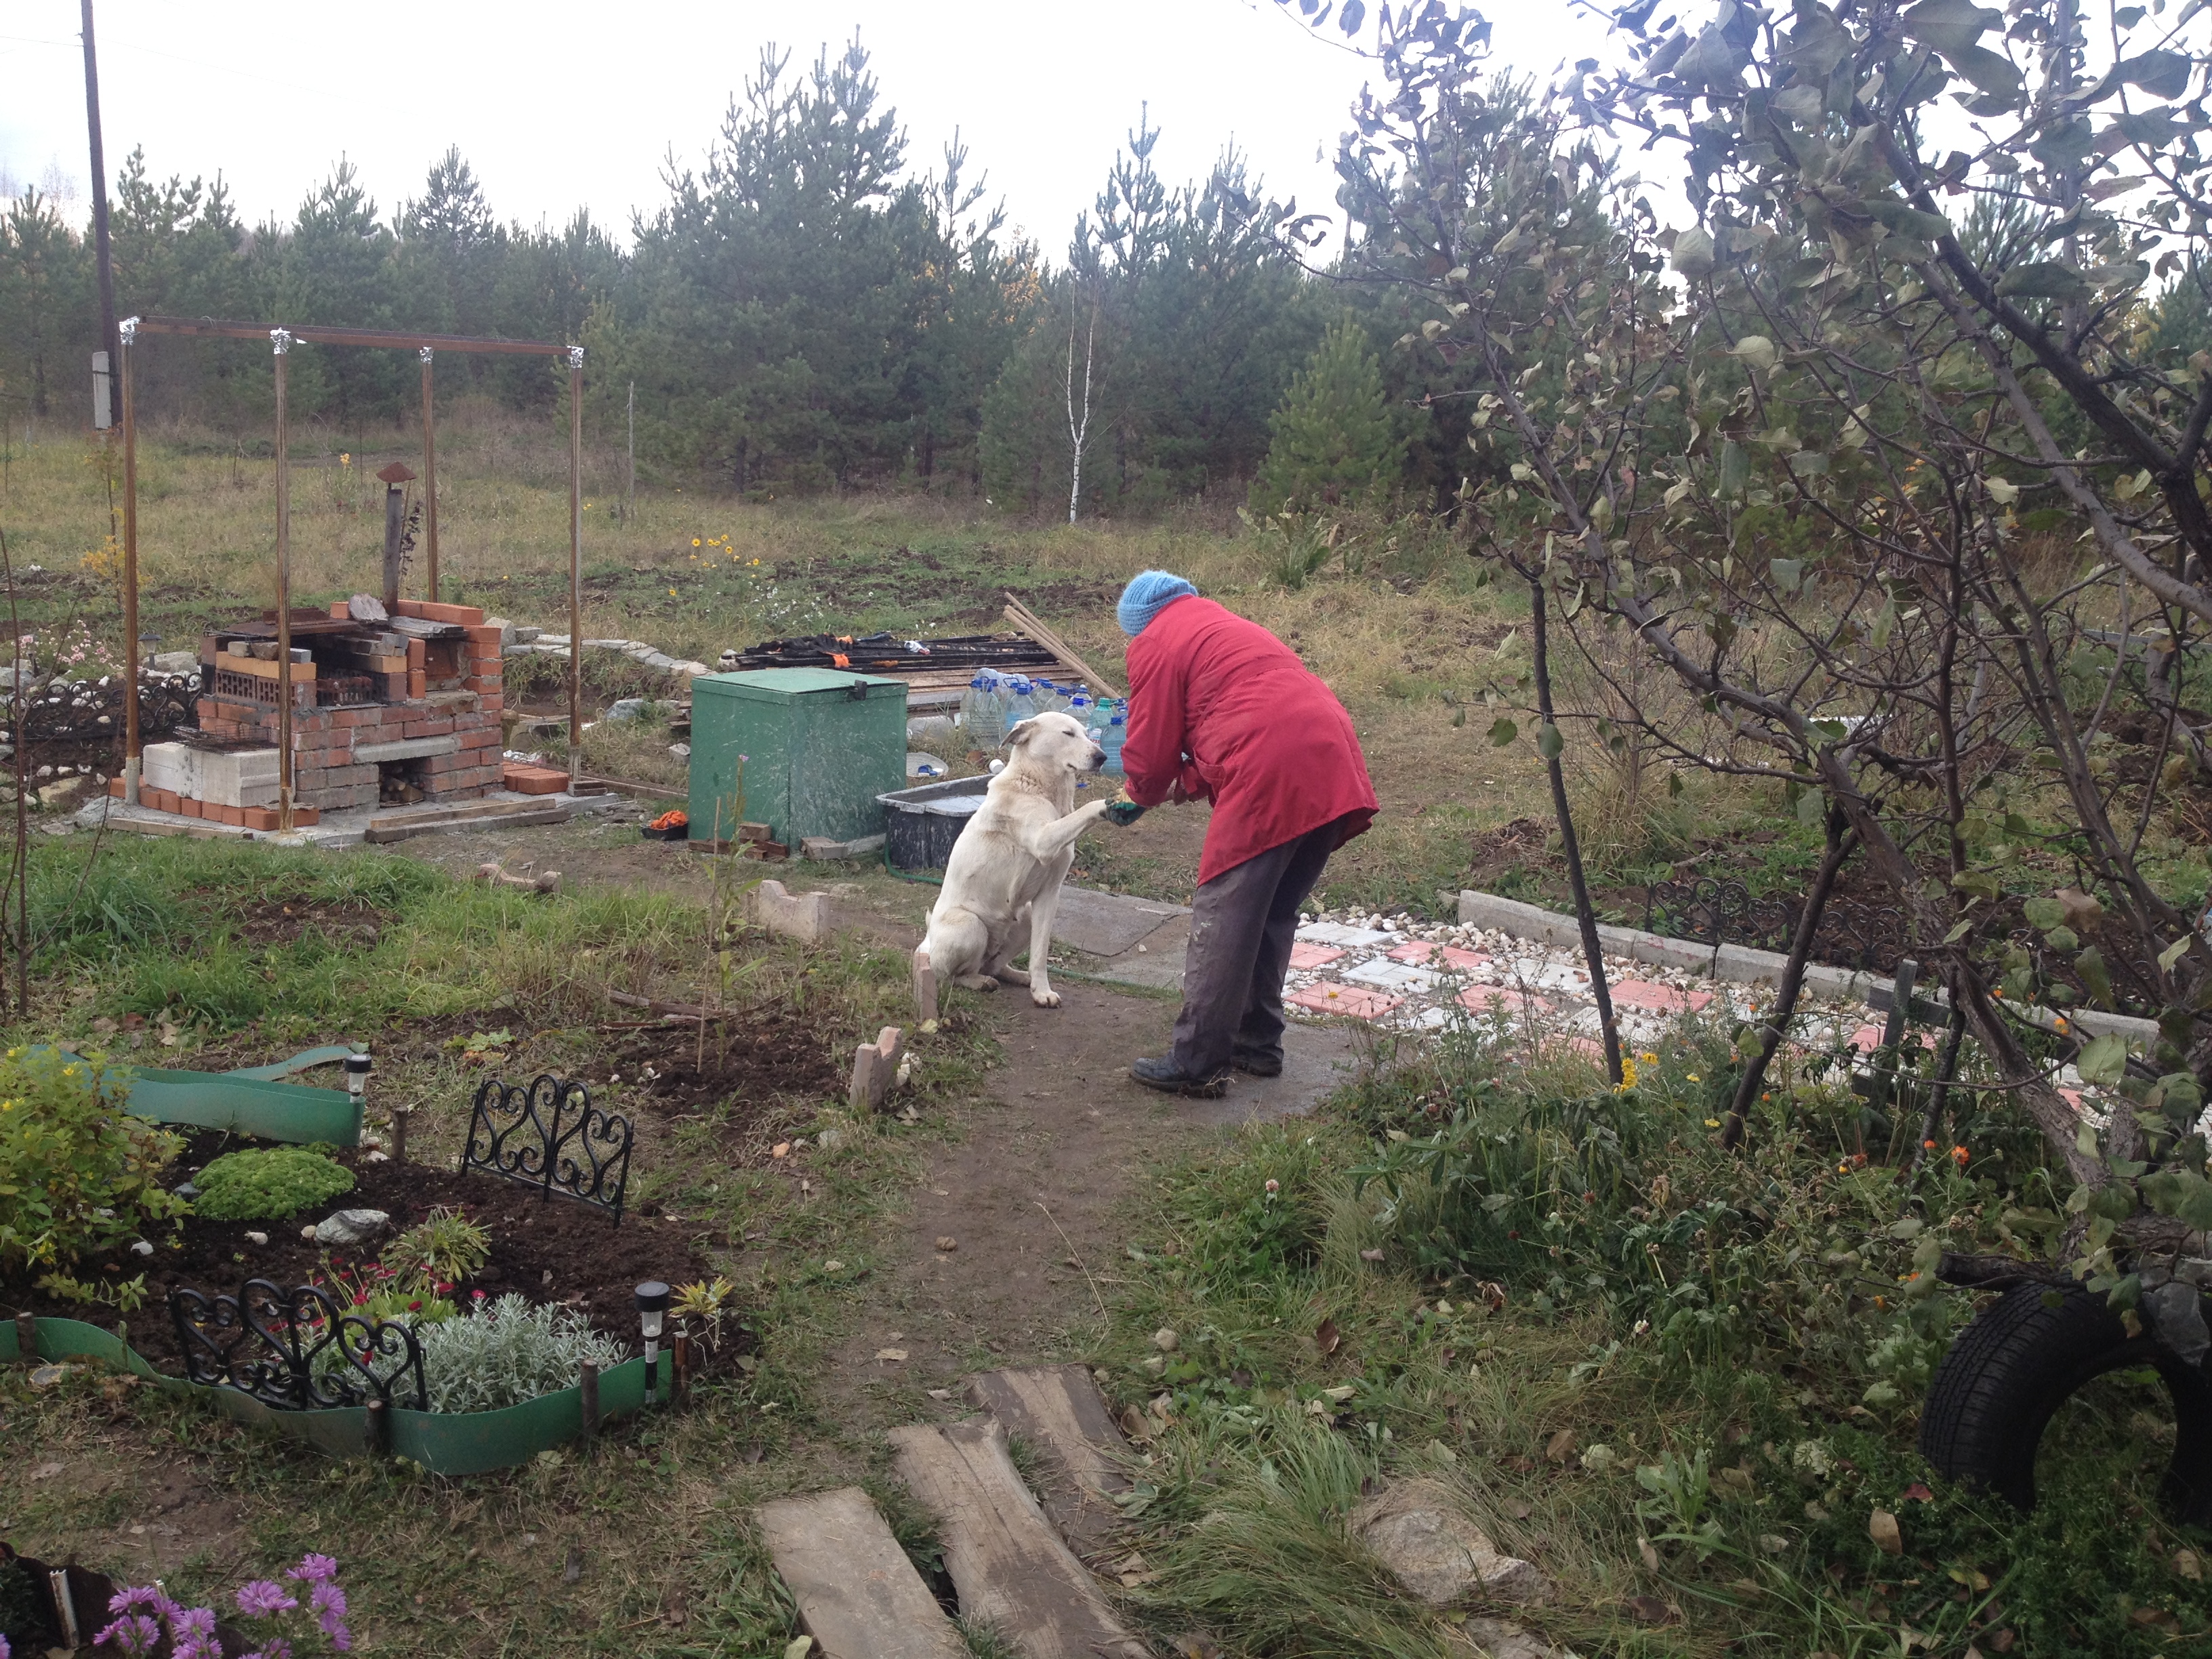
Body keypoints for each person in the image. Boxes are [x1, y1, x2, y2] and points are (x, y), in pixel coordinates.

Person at [1106, 570, 1377, 1095]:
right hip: (1328, 753)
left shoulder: (1156, 642)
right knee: (1271, 911)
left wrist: (1140, 791)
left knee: (1224, 912)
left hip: (1271, 764)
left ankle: (1197, 1062)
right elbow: (1230, 721)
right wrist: (1177, 781)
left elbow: (1153, 742)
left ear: (1137, 624)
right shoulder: (1221, 626)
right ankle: (1257, 1044)